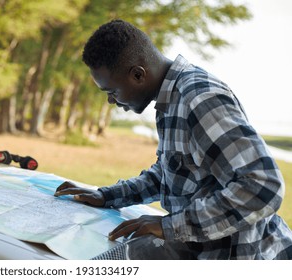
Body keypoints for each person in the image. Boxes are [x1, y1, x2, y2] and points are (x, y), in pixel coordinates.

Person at [54, 19, 292, 259]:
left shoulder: (199, 99)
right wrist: (107, 195)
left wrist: (170, 227)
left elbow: (263, 185)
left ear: (138, 75)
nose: (111, 101)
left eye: (112, 92)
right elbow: (171, 175)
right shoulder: (170, 100)